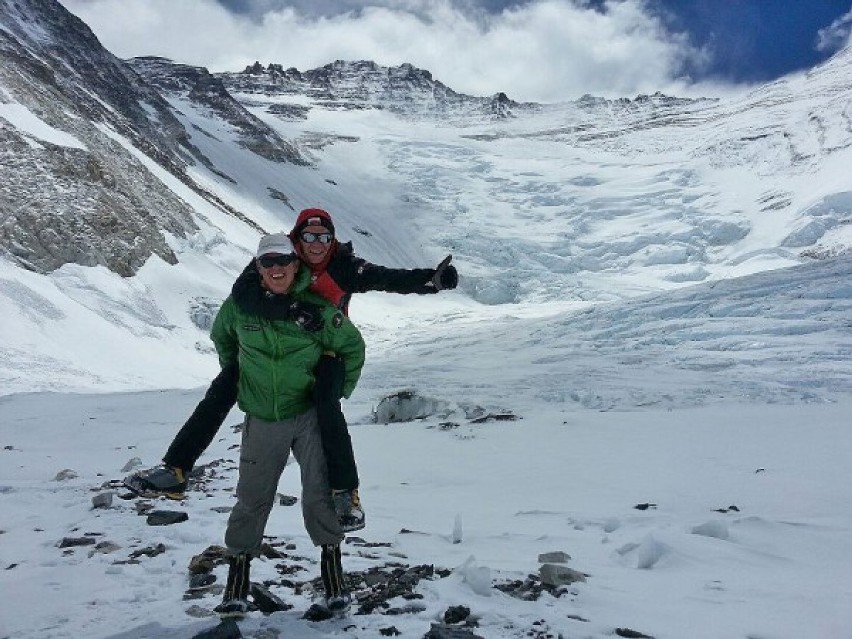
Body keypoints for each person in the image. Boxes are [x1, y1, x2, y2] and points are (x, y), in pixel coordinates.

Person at [125, 207, 459, 533]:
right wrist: (284, 317)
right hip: (271, 349)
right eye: (309, 235)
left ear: (332, 239)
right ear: (297, 238)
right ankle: (177, 469)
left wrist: (431, 280)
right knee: (221, 390)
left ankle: (345, 492)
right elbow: (242, 296)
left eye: (324, 236)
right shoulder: (277, 255)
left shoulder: (344, 267)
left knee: (327, 406)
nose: (316, 243)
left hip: (326, 348)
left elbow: (387, 279)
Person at [211, 233, 366, 617]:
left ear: (296, 264)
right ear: (258, 268)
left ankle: (334, 585)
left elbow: (352, 346)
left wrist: (332, 395)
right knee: (252, 498)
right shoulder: (239, 308)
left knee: (319, 494)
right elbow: (223, 340)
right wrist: (242, 377)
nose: (276, 268)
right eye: (267, 262)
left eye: (283, 260)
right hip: (263, 419)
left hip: (308, 416)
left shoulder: (314, 308)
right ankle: (235, 589)